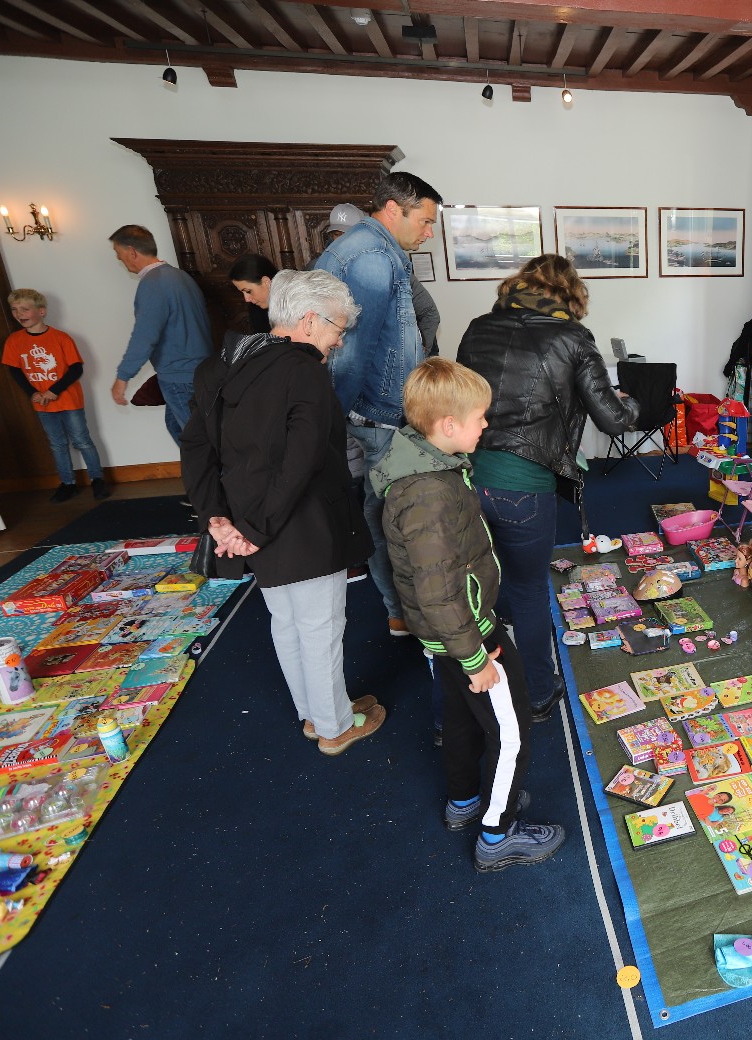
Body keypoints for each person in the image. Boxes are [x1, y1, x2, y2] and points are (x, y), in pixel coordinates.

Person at [372, 357, 565, 872]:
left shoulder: (421, 467)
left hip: (445, 636)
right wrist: (476, 657)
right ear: (448, 425)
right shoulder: (430, 493)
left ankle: (464, 800)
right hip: (470, 635)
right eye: (479, 417)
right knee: (512, 731)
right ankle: (497, 832)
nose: (486, 424)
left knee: (460, 720)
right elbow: (438, 589)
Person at [179, 270, 382, 756]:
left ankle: (314, 713)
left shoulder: (219, 365)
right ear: (309, 321)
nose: (339, 340)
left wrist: (216, 518)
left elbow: (196, 447)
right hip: (302, 524)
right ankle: (334, 727)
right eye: (338, 328)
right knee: (320, 628)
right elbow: (302, 461)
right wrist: (255, 528)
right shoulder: (302, 371)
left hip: (245, 523)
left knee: (287, 621)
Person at [456, 254, 638, 720]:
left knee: (477, 583)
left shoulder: (478, 328)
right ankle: (538, 692)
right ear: (570, 293)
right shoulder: (572, 337)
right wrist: (632, 402)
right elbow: (614, 419)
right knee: (530, 589)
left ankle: (473, 686)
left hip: (467, 476)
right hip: (524, 483)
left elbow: (460, 403)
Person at [314, 173, 441, 635]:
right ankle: (404, 611)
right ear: (392, 208)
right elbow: (350, 352)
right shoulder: (369, 256)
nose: (428, 233)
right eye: (425, 221)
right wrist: (332, 423)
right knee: (394, 516)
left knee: (389, 509)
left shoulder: (376, 250)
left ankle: (403, 609)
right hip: (378, 414)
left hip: (381, 410)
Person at [107, 225, 214, 445]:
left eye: (118, 253)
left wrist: (122, 377)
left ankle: (210, 469)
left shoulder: (154, 284)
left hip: (180, 376)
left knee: (197, 443)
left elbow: (144, 336)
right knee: (176, 427)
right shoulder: (179, 276)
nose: (119, 259)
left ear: (132, 252)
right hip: (200, 370)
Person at [1, 289, 111, 503]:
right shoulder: (14, 341)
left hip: (68, 401)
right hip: (42, 404)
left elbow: (76, 368)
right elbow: (14, 370)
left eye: (25, 309)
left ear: (41, 311)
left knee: (82, 441)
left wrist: (54, 391)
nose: (19, 314)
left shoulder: (61, 338)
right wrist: (33, 393)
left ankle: (97, 480)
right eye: (14, 309)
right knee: (57, 444)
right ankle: (68, 483)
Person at [324, 203, 440, 355]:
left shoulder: (394, 267)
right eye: (337, 234)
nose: (344, 241)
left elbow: (429, 312)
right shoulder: (321, 269)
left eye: (349, 234)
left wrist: (420, 353)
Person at [228, 253, 277, 336]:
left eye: (248, 291)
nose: (247, 299)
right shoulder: (256, 309)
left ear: (266, 282)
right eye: (242, 292)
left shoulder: (296, 304)